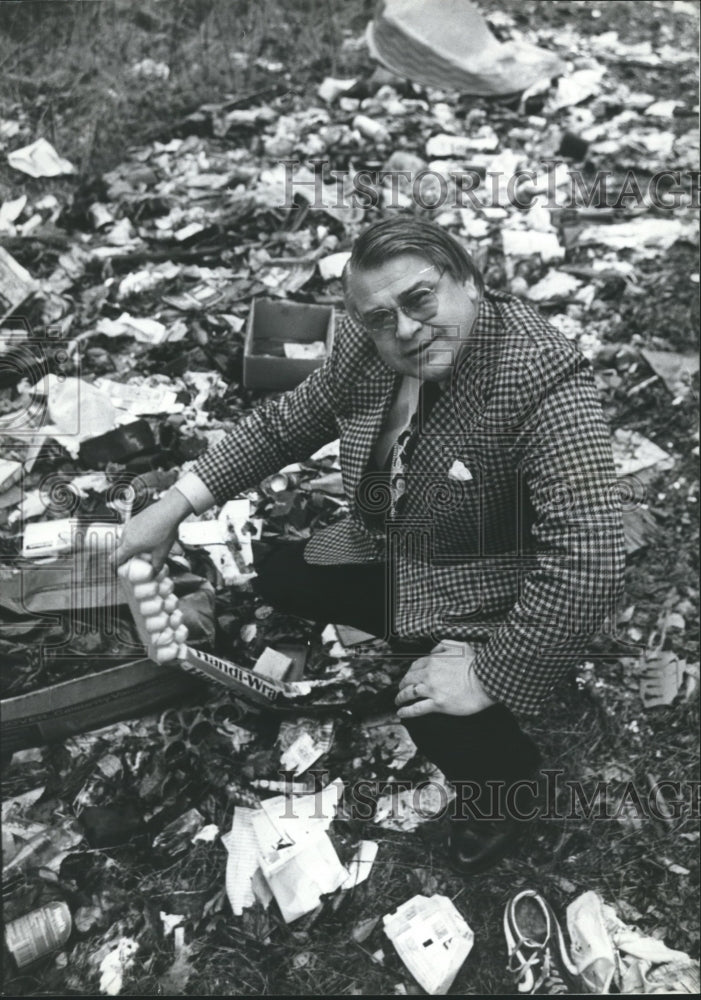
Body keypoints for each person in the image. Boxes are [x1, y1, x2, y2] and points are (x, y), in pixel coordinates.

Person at [115, 215, 625, 873]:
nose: (404, 331)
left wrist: (486, 673)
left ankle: (508, 790)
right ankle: (401, 631)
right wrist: (174, 504)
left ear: (468, 281)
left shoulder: (539, 377)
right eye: (380, 316)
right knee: (282, 574)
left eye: (419, 299)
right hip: (396, 542)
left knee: (430, 703)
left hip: (492, 582)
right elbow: (283, 426)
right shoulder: (368, 344)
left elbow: (586, 558)